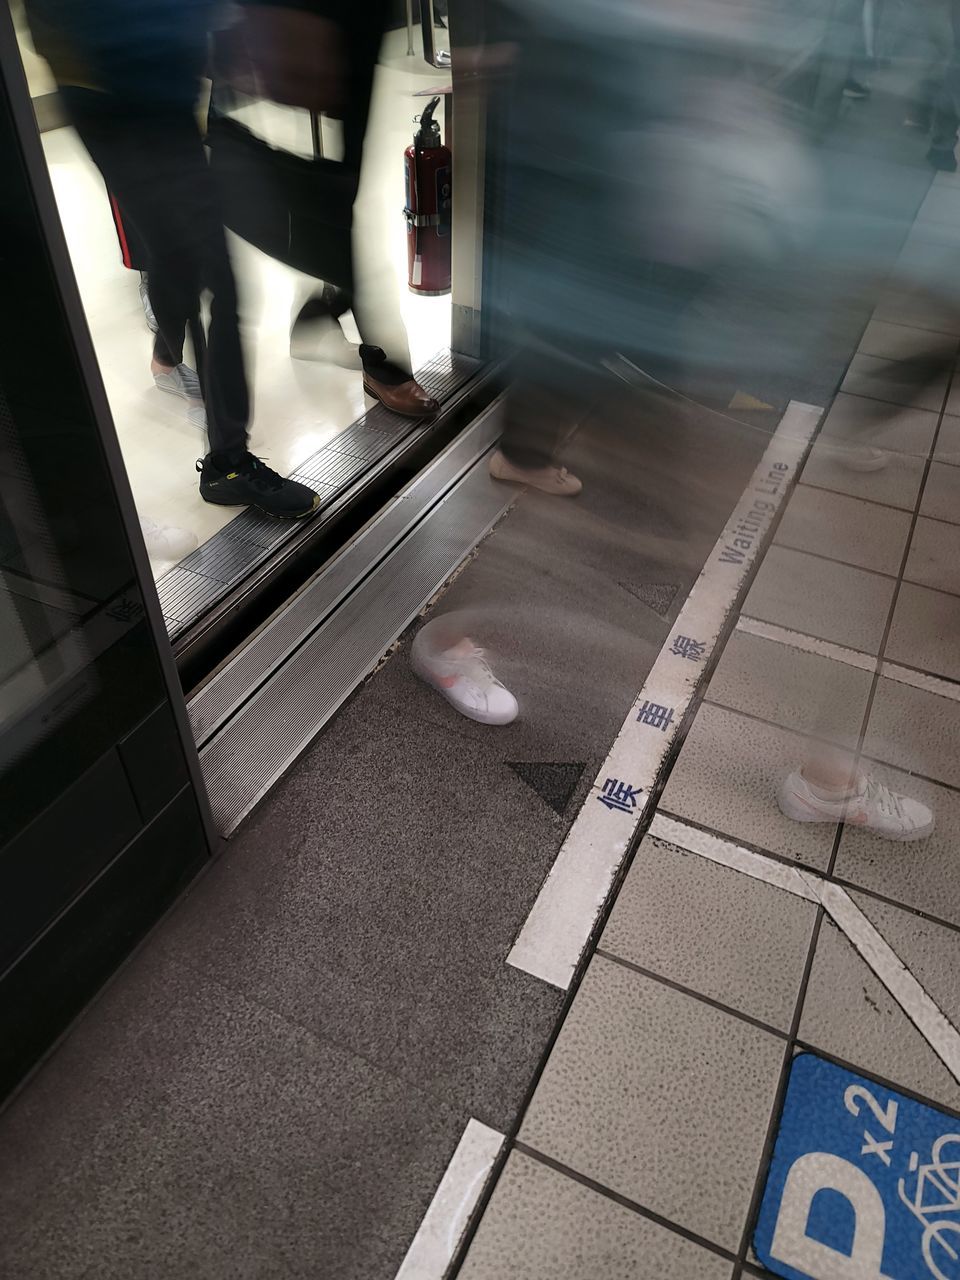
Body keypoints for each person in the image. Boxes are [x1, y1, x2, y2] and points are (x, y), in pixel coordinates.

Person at [23, 0, 321, 520]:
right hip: (120, 103)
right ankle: (228, 465)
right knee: (218, 281)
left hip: (156, 94)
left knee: (177, 259)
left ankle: (165, 358)